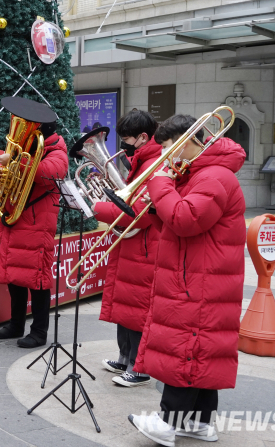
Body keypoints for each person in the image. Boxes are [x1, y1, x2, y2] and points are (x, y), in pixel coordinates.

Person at [128, 114, 246, 446]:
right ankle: (199, 423)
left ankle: (167, 422)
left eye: (168, 146)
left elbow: (185, 218)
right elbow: (174, 221)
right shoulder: (201, 173)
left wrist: (161, 184)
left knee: (187, 348)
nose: (165, 155)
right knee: (202, 349)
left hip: (200, 278)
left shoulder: (214, 177)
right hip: (197, 274)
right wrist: (157, 205)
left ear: (189, 141)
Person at [0, 99, 69, 349]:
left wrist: (11, 161)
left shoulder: (56, 150)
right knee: (14, 276)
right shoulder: (20, 148)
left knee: (38, 279)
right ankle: (16, 324)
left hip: (35, 223)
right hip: (12, 218)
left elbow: (49, 172)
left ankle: (39, 331)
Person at [91, 110, 162, 387]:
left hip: (145, 244)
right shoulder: (140, 159)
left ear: (143, 137)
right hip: (132, 243)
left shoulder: (153, 162)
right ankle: (125, 357)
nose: (123, 144)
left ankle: (139, 366)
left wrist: (97, 207)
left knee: (137, 307)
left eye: (127, 139)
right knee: (126, 304)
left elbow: (139, 214)